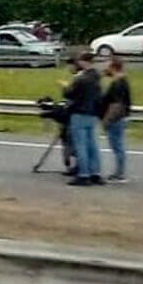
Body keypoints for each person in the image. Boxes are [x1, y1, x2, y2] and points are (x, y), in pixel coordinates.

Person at [62, 52, 103, 186]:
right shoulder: (96, 77)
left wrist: (65, 87)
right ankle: (95, 172)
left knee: (81, 145)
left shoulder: (81, 79)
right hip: (92, 113)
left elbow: (70, 94)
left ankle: (83, 174)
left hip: (79, 113)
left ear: (83, 61)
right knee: (92, 145)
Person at [101, 57, 132, 183]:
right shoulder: (122, 81)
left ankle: (119, 173)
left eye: (108, 66)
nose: (105, 69)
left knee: (117, 146)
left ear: (113, 67)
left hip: (115, 118)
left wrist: (107, 120)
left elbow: (116, 104)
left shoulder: (118, 83)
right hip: (120, 117)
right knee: (118, 146)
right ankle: (119, 172)